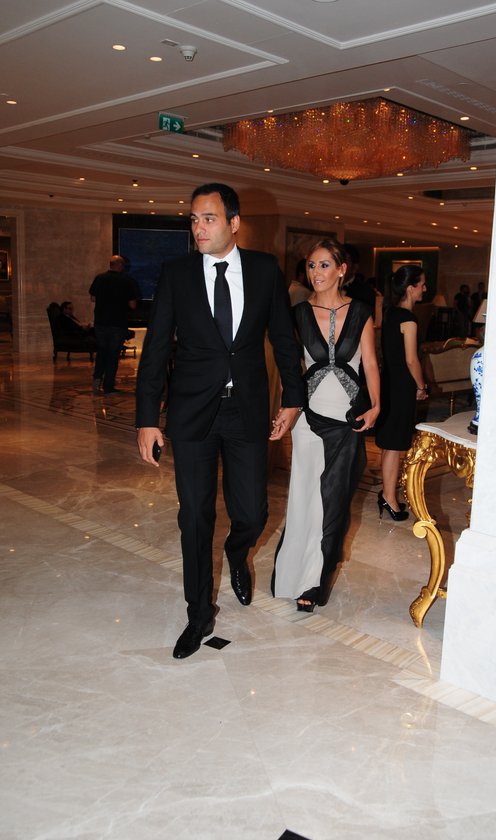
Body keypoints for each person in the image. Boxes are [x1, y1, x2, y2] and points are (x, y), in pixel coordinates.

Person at [135, 182, 305, 660]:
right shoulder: (177, 274)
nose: (198, 228)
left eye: (208, 218)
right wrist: (147, 418)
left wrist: (293, 399)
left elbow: (283, 339)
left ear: (234, 222)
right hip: (191, 413)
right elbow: (156, 348)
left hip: (245, 409)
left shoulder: (265, 270)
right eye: (193, 219)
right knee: (194, 516)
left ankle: (236, 551)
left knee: (252, 512)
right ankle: (198, 614)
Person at [271, 239, 380, 612]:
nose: (316, 273)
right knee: (305, 497)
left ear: (341, 269)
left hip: (347, 419)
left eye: (324, 265)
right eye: (311, 266)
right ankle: (297, 577)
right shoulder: (296, 314)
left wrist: (376, 406)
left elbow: (370, 363)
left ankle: (316, 578)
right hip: (309, 419)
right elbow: (289, 370)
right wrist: (286, 409)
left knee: (333, 501)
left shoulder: (361, 312)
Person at [374, 264, 429, 521]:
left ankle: (387, 494)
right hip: (401, 387)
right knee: (395, 446)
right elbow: (411, 360)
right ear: (410, 288)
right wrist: (421, 386)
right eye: (422, 284)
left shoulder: (390, 313)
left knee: (389, 444)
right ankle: (389, 498)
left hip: (388, 384)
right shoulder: (408, 319)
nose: (424, 289)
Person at [89, 256, 139, 395]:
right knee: (112, 355)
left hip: (100, 322)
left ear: (111, 264)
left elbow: (93, 298)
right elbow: (132, 305)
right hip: (118, 323)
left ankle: (97, 380)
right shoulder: (127, 281)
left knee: (102, 352)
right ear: (121, 265)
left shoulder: (99, 278)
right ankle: (108, 387)